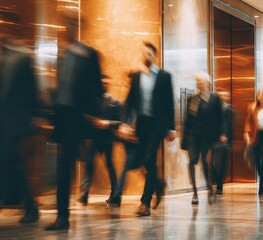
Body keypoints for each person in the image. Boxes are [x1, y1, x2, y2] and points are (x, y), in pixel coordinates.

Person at [45, 12, 103, 231]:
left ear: (78, 26)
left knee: (68, 164)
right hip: (64, 120)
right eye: (64, 23)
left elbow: (97, 88)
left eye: (70, 23)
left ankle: (63, 216)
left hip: (79, 120)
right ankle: (62, 217)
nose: (66, 27)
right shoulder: (62, 55)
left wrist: (89, 114)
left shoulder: (89, 54)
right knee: (63, 167)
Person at [118, 42, 175, 216]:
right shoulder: (137, 77)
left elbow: (169, 103)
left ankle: (145, 203)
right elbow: (129, 102)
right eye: (145, 54)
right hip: (141, 125)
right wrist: (125, 122)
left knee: (150, 157)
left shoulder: (164, 77)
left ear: (155, 56)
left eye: (150, 54)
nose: (147, 56)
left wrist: (171, 128)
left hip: (157, 125)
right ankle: (158, 184)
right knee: (144, 161)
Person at [0, 10, 39, 223]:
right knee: (13, 164)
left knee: (8, 161)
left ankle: (30, 207)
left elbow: (33, 90)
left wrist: (33, 116)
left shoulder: (23, 55)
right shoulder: (2, 54)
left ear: (13, 26)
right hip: (2, 120)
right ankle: (31, 207)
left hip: (15, 121)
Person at [77, 76, 122, 206]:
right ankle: (84, 194)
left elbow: (120, 122)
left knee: (110, 166)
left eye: (107, 83)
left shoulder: (115, 102)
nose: (104, 85)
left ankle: (115, 195)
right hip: (94, 138)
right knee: (90, 165)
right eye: (102, 83)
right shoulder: (93, 101)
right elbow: (84, 117)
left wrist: (106, 123)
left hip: (107, 139)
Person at [181, 72, 224, 204]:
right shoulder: (192, 99)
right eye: (197, 81)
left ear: (207, 83)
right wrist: (184, 138)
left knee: (205, 162)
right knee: (192, 161)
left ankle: (209, 187)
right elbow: (187, 120)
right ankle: (194, 193)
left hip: (207, 137)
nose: (198, 83)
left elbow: (220, 117)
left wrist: (222, 134)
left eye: (201, 81)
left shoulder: (214, 98)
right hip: (192, 136)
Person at [213, 90, 234, 195]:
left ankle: (220, 185)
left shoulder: (230, 109)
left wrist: (225, 135)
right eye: (220, 95)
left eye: (224, 95)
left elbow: (229, 124)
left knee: (223, 163)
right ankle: (217, 182)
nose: (222, 97)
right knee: (216, 162)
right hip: (215, 139)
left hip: (227, 139)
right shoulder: (214, 108)